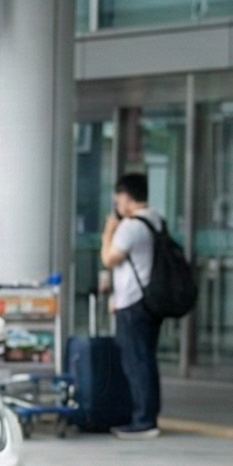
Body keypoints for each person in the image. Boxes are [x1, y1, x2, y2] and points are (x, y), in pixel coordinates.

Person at [99, 173, 166, 441]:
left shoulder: (131, 226)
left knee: (136, 361)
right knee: (145, 358)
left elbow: (109, 258)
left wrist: (108, 231)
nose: (117, 204)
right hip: (150, 300)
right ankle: (147, 415)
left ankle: (143, 420)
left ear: (126, 197)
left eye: (118, 199)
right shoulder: (156, 219)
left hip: (133, 301)